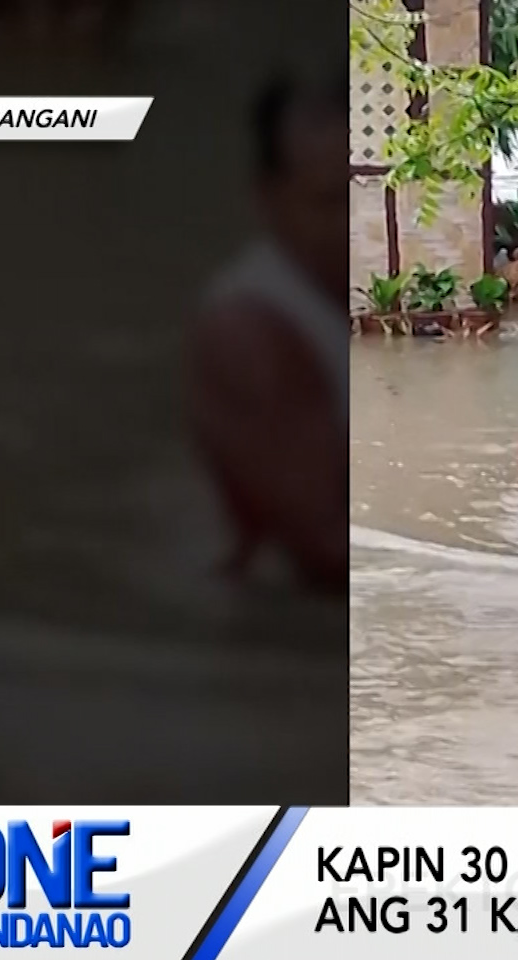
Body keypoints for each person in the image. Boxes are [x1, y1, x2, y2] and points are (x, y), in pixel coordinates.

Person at [182, 72, 349, 592]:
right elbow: (324, 548)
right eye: (330, 203)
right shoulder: (251, 333)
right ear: (270, 200)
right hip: (272, 620)